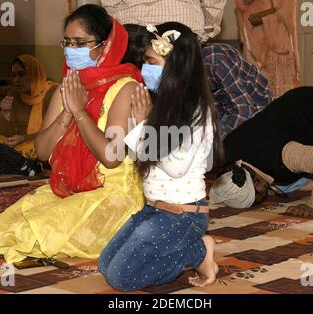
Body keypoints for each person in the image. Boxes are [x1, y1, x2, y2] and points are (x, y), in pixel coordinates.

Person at [0, 4, 145, 264]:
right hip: (70, 188)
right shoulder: (68, 85)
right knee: (7, 228)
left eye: (81, 43)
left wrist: (80, 111)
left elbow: (111, 157)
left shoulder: (125, 88)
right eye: (67, 42)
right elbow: (44, 151)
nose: (72, 50)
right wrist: (67, 112)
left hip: (112, 194)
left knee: (35, 234)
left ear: (105, 46)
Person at [99, 22, 222, 292]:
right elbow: (136, 154)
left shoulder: (197, 112)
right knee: (105, 265)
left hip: (182, 215)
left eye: (153, 62)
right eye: (146, 62)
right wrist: (139, 123)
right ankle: (190, 249)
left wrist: (143, 124)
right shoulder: (161, 104)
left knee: (122, 279)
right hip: (152, 208)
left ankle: (197, 252)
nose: (146, 70)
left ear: (175, 65)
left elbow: (176, 167)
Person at [209, 86, 313, 217]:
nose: (263, 198)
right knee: (286, 187)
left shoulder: (283, 155)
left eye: (259, 197)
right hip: (299, 112)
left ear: (258, 183)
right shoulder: (226, 153)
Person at [123, 24, 272, 139]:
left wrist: (215, 144)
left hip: (256, 109)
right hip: (216, 114)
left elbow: (244, 109)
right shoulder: (172, 79)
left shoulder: (216, 59)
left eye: (151, 63)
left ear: (175, 59)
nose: (146, 71)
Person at [0, 55, 58, 159]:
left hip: (39, 141)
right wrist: (5, 114)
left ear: (34, 74)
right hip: (18, 142)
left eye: (21, 74)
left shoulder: (52, 93)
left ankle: (10, 158)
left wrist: (24, 138)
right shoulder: (14, 93)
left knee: (32, 149)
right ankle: (10, 158)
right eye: (14, 75)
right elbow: (3, 133)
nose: (16, 80)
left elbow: (53, 132)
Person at [101, 0, 227, 43]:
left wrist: (122, 27)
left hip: (134, 24)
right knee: (184, 94)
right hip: (185, 23)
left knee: (135, 91)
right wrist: (203, 32)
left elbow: (111, 4)